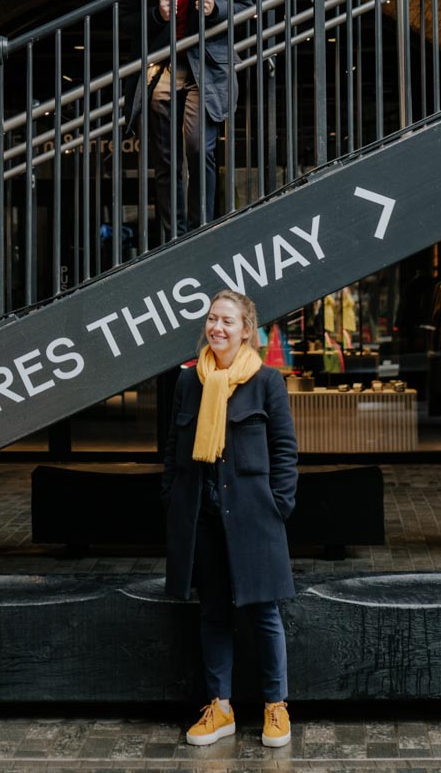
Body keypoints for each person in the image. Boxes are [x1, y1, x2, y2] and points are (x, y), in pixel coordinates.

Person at [162, 288, 298, 748]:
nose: (217, 327)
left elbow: (284, 451)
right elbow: (172, 451)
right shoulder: (189, 382)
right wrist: (174, 497)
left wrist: (278, 505)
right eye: (212, 319)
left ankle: (276, 707)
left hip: (254, 517)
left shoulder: (266, 381)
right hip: (202, 516)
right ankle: (219, 708)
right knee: (213, 613)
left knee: (264, 611)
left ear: (246, 331)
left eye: (227, 321)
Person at [123, 0, 252, 246]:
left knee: (198, 147)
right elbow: (124, 19)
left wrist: (218, 9)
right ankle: (174, 236)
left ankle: (201, 230)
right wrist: (154, 14)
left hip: (205, 65)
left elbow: (247, 7)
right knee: (166, 158)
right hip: (160, 67)